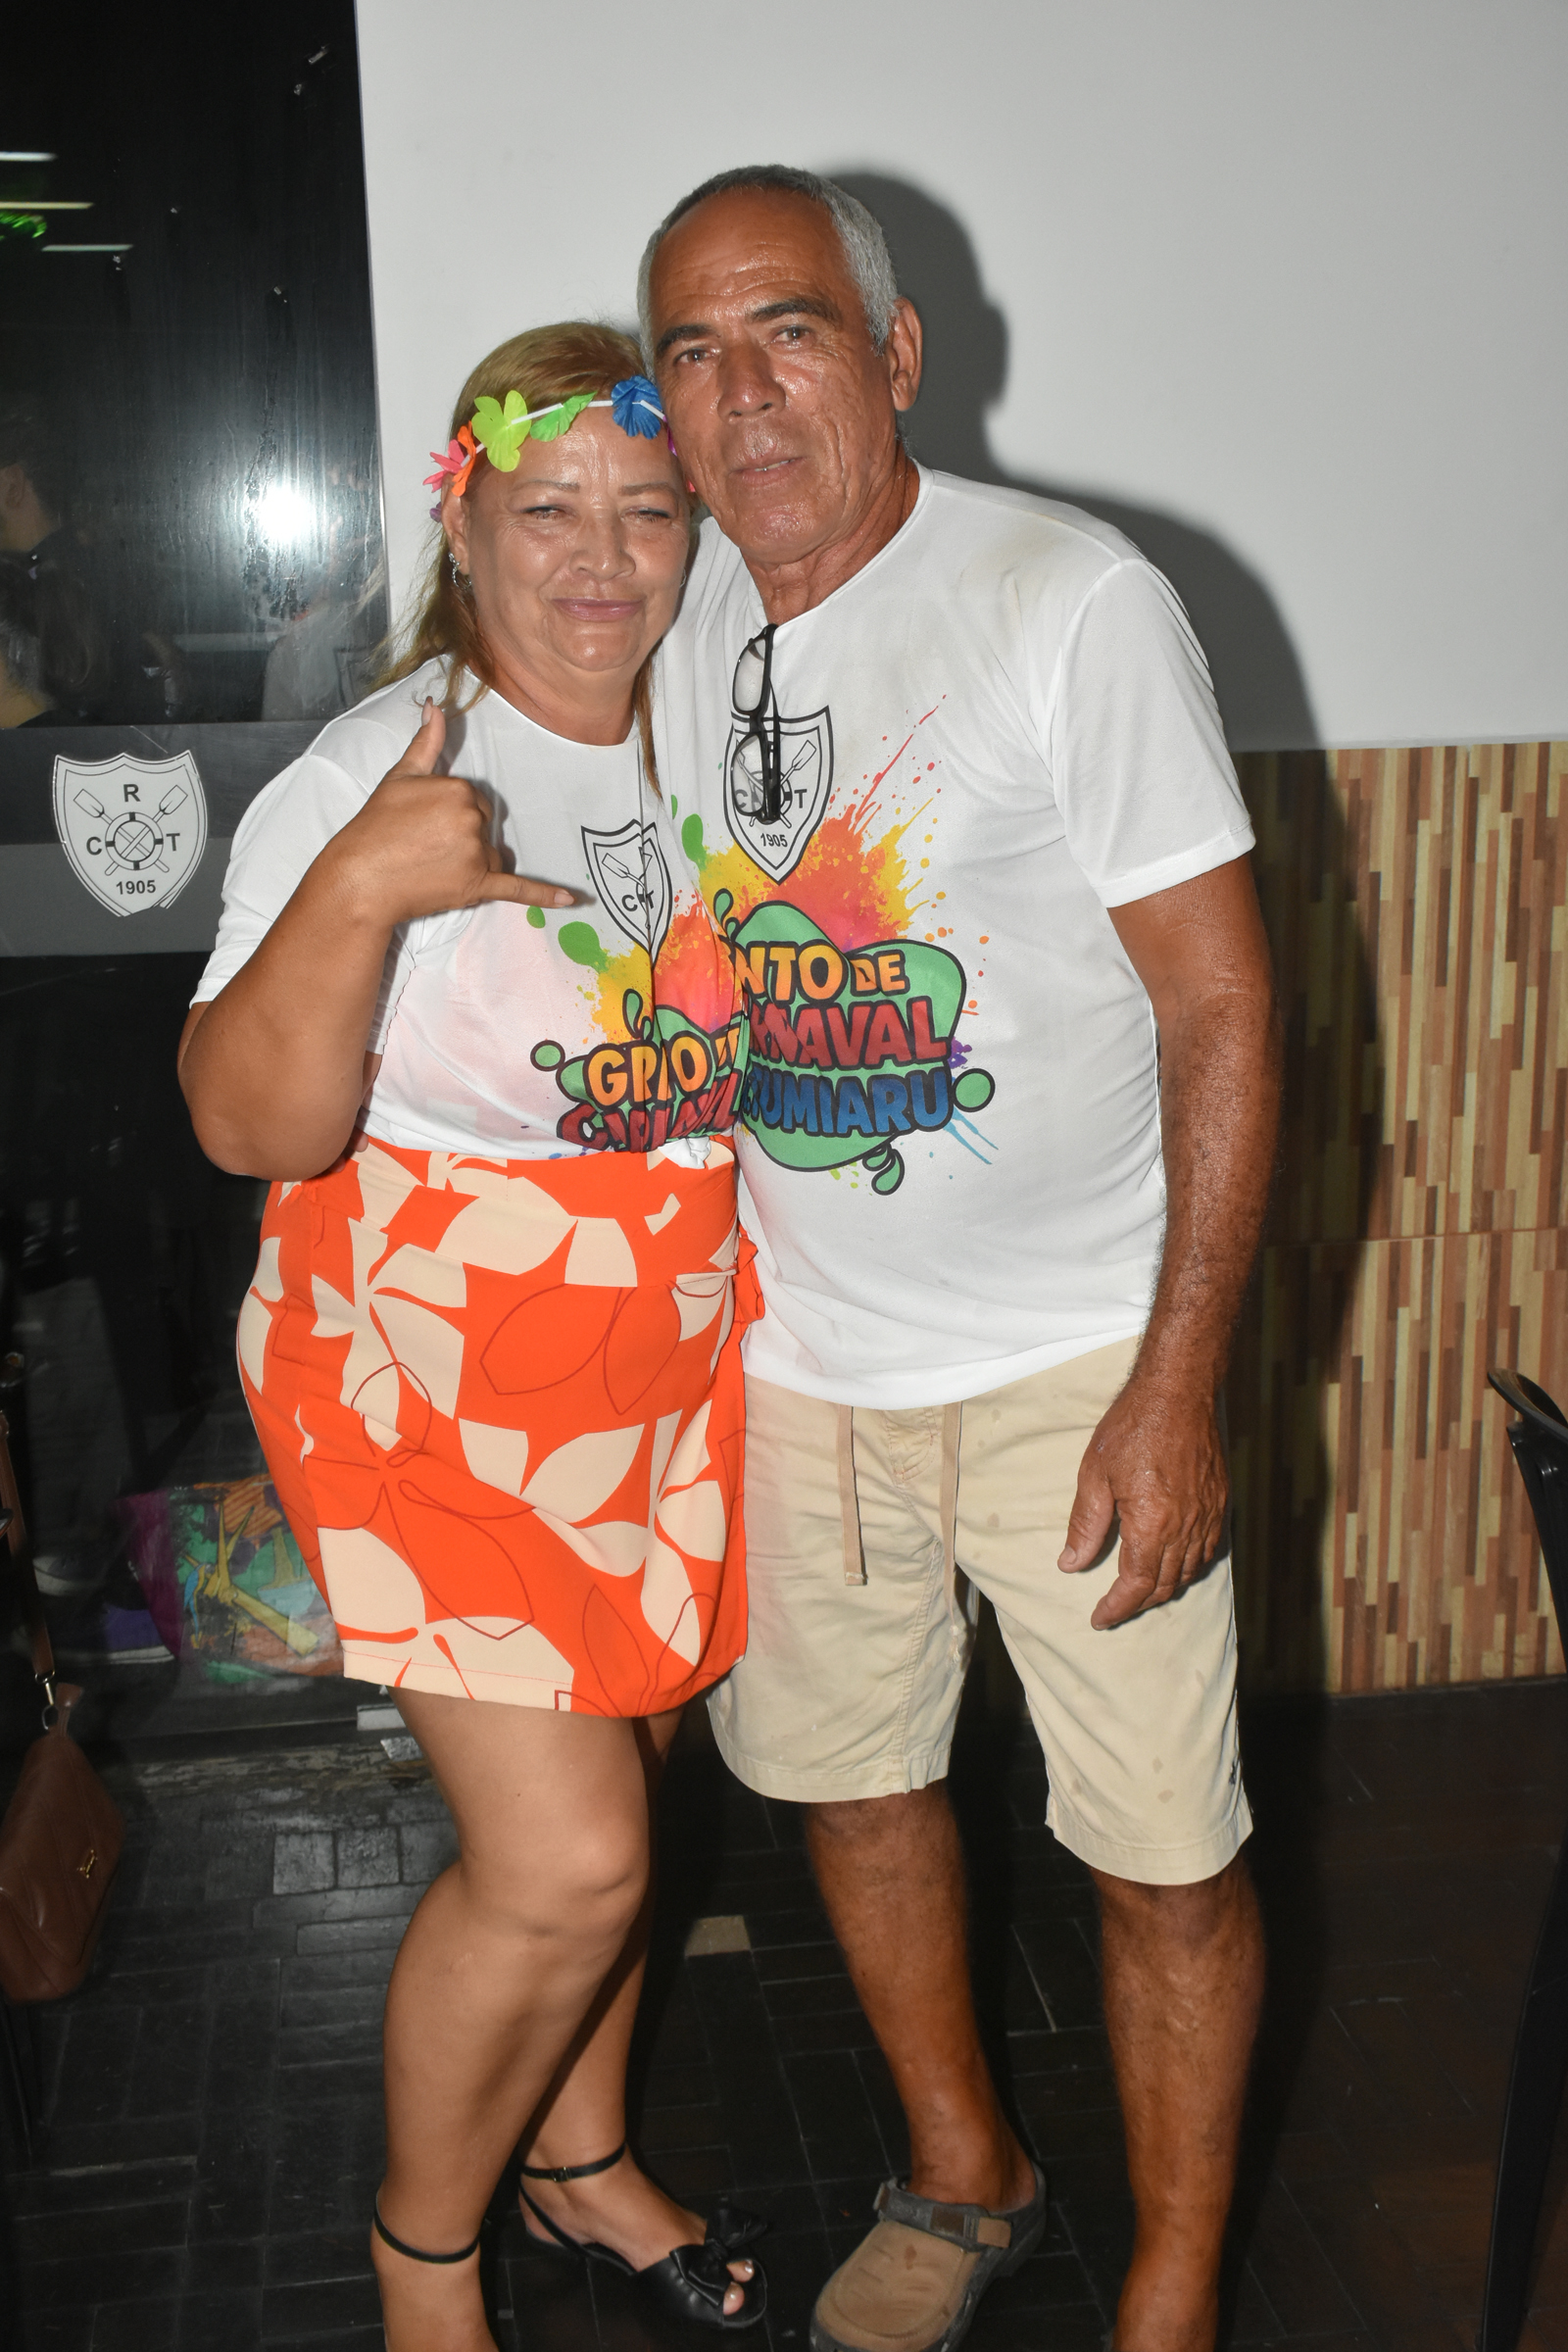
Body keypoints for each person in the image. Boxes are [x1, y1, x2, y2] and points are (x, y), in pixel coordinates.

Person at [641, 168, 1283, 2352]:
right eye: (694, 352)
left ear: (896, 354)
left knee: (1160, 1850)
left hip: (1078, 1360)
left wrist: (1175, 1385)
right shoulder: (679, 620)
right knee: (851, 1788)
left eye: (790, 330)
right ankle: (962, 2169)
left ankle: (1171, 2289)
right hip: (798, 1359)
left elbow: (1220, 1008)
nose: (743, 393)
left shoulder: (1066, 600)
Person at [178, 321, 765, 2352]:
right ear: (462, 520)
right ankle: (425, 2262)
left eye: (647, 512)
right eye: (548, 512)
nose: (601, 560)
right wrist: (355, 893)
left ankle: (578, 2161)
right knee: (569, 1859)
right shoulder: (380, 767)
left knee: (636, 1780)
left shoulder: (708, 741)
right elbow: (246, 1124)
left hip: (658, 1361)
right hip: (425, 1359)